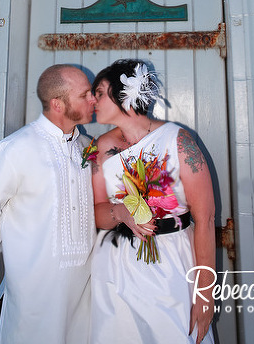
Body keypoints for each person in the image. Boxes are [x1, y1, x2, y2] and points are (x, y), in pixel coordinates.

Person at [0, 64, 97, 344]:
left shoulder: (87, 147)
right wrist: (17, 249)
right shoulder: (14, 150)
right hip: (32, 303)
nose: (93, 99)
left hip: (83, 302)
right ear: (57, 104)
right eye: (85, 94)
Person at [90, 59, 216, 344]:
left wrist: (205, 295)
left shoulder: (179, 141)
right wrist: (121, 212)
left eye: (98, 92)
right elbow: (97, 213)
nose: (92, 100)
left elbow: (205, 219)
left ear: (122, 93)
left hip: (171, 261)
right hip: (115, 265)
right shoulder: (101, 147)